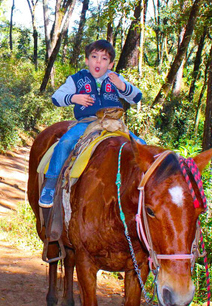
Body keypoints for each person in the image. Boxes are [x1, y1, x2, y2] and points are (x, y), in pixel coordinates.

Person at [39, 39, 142, 208]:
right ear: (87, 60)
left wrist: (121, 85)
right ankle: (50, 184)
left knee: (141, 146)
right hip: (87, 122)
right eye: (94, 57)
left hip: (114, 123)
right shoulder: (77, 79)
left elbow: (137, 97)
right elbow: (56, 98)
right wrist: (73, 97)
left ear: (110, 64)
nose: (98, 62)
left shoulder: (115, 78)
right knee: (65, 142)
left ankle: (142, 189)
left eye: (104, 59)